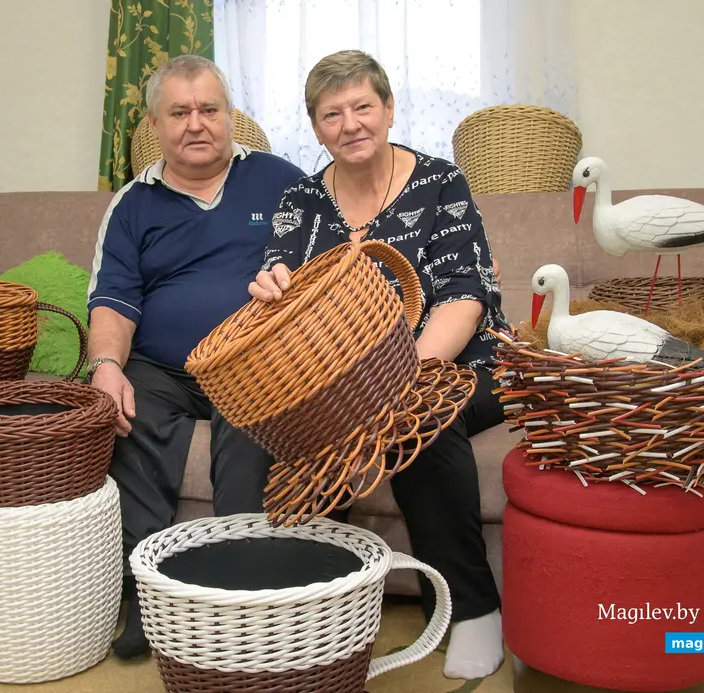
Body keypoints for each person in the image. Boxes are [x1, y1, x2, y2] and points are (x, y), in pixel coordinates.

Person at [249, 50, 508, 680]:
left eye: (363, 106)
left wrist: (395, 386)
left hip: (461, 362)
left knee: (421, 422)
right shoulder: (300, 200)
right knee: (304, 435)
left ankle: (473, 609)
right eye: (331, 114)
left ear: (389, 110)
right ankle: (316, 608)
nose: (350, 124)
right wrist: (269, 291)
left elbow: (462, 299)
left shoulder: (441, 182)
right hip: (345, 382)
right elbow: (279, 298)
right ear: (316, 128)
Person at [86, 54, 306, 659]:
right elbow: (113, 299)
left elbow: (329, 263)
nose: (196, 123)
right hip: (162, 368)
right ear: (154, 125)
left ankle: (239, 591)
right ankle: (150, 600)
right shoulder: (132, 204)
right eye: (179, 112)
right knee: (125, 412)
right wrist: (106, 368)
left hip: (251, 362)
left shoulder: (282, 182)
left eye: (209, 109)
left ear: (231, 115)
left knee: (250, 419)